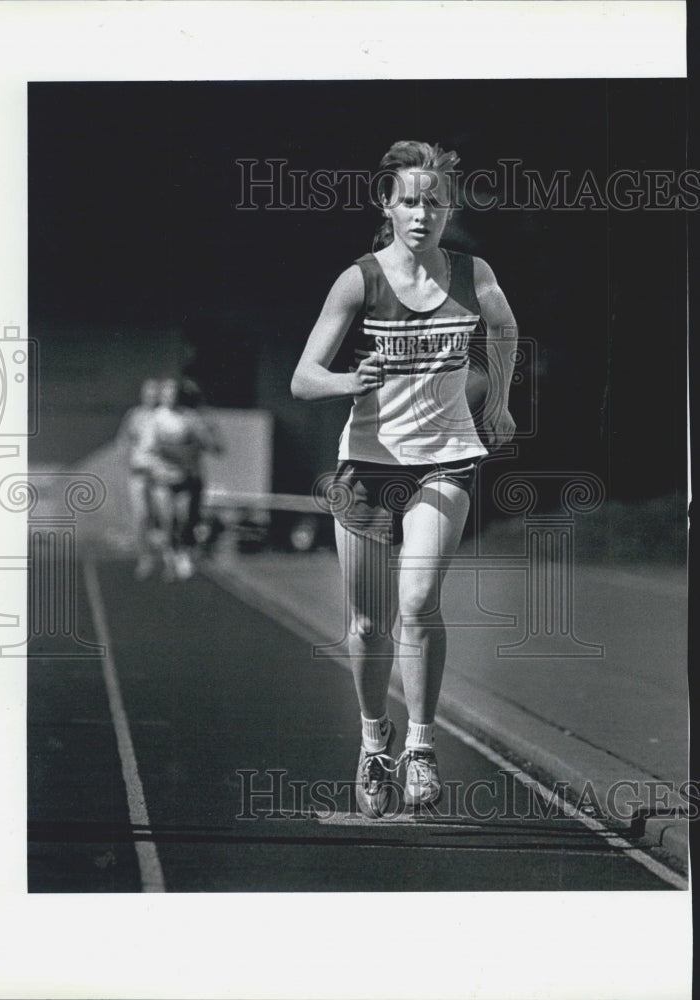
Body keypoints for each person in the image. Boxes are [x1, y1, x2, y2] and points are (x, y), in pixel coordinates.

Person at [291, 140, 517, 816]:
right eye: (410, 201)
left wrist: (498, 401)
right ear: (387, 205)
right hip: (367, 465)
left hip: (444, 458)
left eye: (435, 202)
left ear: (449, 209)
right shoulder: (359, 280)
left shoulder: (473, 276)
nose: (422, 214)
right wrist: (343, 380)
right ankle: (373, 743)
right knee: (367, 622)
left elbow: (504, 330)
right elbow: (301, 379)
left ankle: (421, 745)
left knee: (418, 601)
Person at [142, 376, 223, 581]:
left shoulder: (190, 418)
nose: (171, 397)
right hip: (162, 477)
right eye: (167, 393)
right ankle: (170, 557)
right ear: (162, 396)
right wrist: (163, 457)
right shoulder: (155, 418)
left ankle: (183, 552)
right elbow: (147, 449)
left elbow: (211, 445)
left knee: (185, 517)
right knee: (168, 520)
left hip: (186, 477)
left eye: (175, 393)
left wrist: (206, 440)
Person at [117, 378, 161, 580]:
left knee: (164, 517)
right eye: (148, 392)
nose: (151, 396)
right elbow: (123, 441)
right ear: (143, 394)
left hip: (161, 474)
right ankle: (145, 557)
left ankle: (169, 557)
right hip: (139, 473)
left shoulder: (163, 416)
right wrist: (128, 461)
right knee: (141, 516)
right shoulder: (134, 415)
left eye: (155, 393)